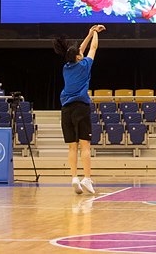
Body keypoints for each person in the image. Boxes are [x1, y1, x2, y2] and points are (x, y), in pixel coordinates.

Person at [53, 24, 105, 195]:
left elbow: (79, 50)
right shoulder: (84, 65)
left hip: (66, 109)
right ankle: (87, 178)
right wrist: (95, 33)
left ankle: (74, 177)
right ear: (78, 57)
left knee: (72, 147)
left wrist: (89, 34)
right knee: (85, 145)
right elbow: (93, 48)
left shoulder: (66, 67)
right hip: (81, 107)